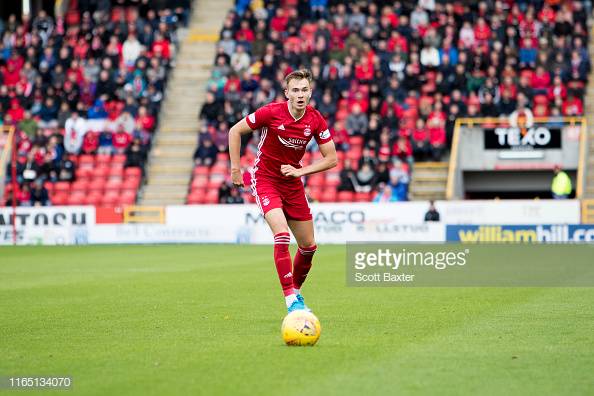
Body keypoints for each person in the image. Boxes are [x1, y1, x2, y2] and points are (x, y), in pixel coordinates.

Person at [228, 69, 337, 313]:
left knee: (309, 246)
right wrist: (236, 169)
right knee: (282, 235)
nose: (300, 95)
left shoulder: (315, 119)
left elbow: (332, 159)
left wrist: (301, 172)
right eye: (295, 90)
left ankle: (295, 292)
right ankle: (290, 299)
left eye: (304, 90)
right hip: (266, 179)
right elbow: (234, 131)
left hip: (292, 181)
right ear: (286, 93)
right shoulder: (271, 112)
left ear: (310, 92)